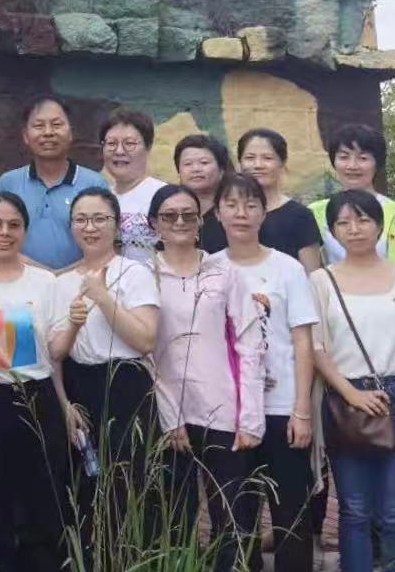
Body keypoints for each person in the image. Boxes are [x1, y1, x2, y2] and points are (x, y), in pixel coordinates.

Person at [309, 189, 395, 572]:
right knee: (354, 509)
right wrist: (352, 393)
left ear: (380, 225)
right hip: (345, 401)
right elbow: (316, 348)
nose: (354, 229)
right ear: (332, 230)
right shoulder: (320, 281)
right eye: (343, 222)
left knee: (394, 510)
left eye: (363, 219)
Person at [0, 193, 73, 572]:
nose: (4, 232)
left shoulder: (45, 283)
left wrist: (64, 404)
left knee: (43, 498)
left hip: (38, 398)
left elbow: (56, 353)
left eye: (14, 225)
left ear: (24, 231)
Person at [150, 184, 264, 572]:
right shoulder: (143, 275)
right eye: (169, 216)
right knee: (176, 520)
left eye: (188, 214)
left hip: (222, 410)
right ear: (154, 225)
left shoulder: (225, 273)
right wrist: (170, 417)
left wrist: (249, 418)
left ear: (201, 222)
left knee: (231, 518)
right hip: (169, 415)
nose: (180, 222)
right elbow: (146, 354)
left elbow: (250, 345)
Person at [213, 172, 318, 572]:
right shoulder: (209, 269)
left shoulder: (287, 268)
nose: (241, 213)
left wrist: (302, 410)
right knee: (235, 516)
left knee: (290, 513)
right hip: (230, 411)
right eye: (231, 204)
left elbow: (303, 341)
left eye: (251, 204)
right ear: (217, 213)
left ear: (263, 212)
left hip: (281, 406)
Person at [49, 189, 160, 559]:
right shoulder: (61, 282)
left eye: (100, 219)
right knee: (83, 485)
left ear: (116, 225)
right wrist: (64, 404)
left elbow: (145, 339)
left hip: (126, 384)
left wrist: (103, 296)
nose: (90, 227)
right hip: (78, 385)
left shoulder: (135, 273)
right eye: (81, 219)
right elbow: (55, 354)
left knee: (129, 483)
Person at [0, 94, 107, 271]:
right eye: (39, 126)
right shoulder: (8, 184)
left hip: (80, 281)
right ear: (25, 136)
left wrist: (61, 276)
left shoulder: (95, 184)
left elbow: (105, 244)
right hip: (21, 281)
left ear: (71, 133)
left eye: (56, 125)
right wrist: (42, 276)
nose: (48, 132)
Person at [308, 124, 395, 272]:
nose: (352, 166)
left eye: (363, 158)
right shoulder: (314, 213)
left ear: (377, 163)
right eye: (344, 157)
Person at [237, 128, 323, 271]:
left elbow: (312, 275)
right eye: (250, 158)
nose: (258, 165)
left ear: (282, 163)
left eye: (267, 158)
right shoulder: (228, 214)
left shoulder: (300, 215)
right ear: (240, 163)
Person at [99, 107, 167, 263]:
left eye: (129, 143)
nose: (119, 151)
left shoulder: (163, 196)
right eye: (111, 143)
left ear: (148, 147)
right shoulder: (101, 198)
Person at [173, 133, 232, 252]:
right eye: (188, 164)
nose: (195, 169)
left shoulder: (234, 213)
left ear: (221, 170)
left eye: (204, 163)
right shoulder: (170, 213)